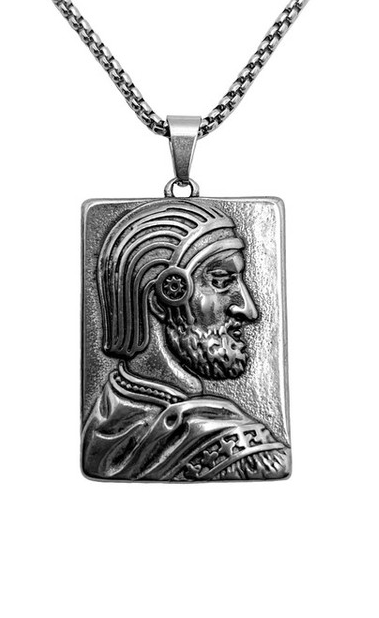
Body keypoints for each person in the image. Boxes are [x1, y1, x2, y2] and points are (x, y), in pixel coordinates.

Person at [82, 200, 290, 481]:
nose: (248, 310)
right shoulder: (246, 453)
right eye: (221, 281)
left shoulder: (106, 409)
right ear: (163, 300)